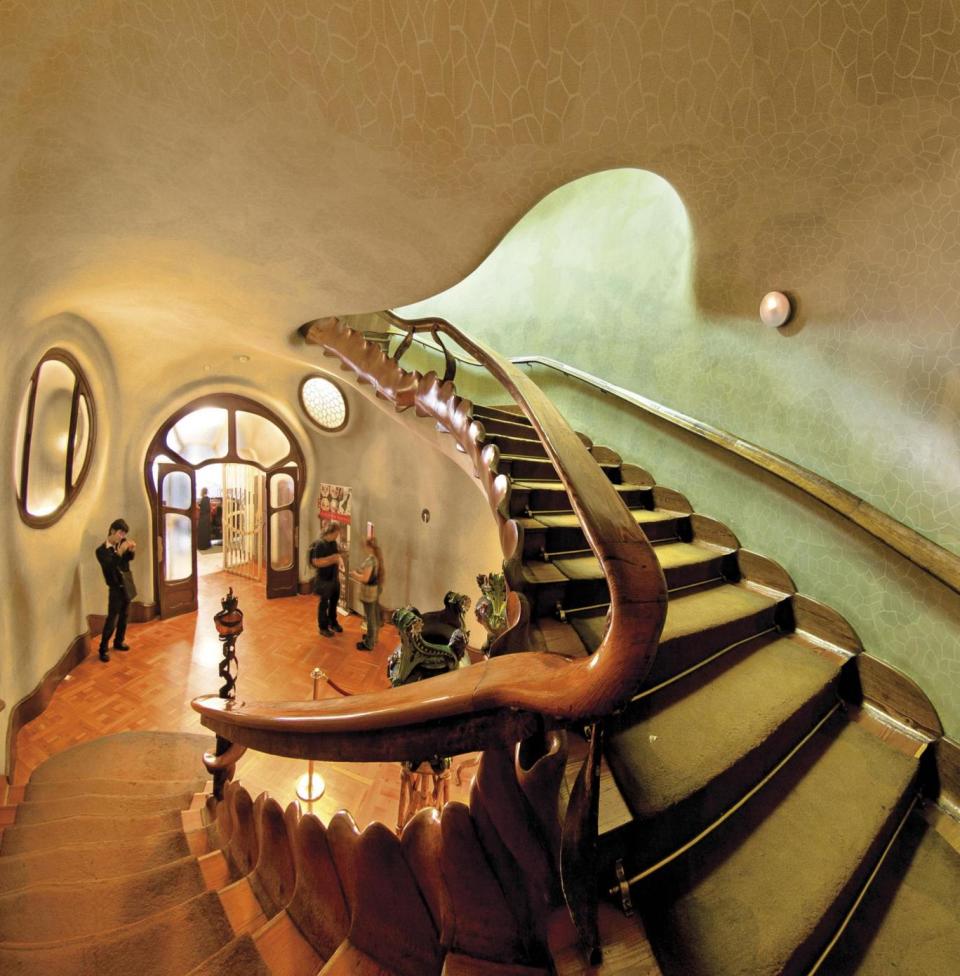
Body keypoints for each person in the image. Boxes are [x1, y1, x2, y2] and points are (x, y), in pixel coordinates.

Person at [94, 518, 136, 662]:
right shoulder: (101, 551)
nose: (122, 536)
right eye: (120, 533)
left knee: (124, 616)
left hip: (126, 586)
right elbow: (110, 566)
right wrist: (119, 553)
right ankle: (103, 648)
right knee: (112, 619)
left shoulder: (121, 544)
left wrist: (130, 550)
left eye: (124, 534)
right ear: (112, 530)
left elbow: (128, 560)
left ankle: (119, 641)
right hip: (115, 588)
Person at [309, 521, 343, 638]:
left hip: (334, 578)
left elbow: (337, 556)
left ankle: (332, 622)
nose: (337, 536)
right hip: (324, 579)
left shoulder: (333, 543)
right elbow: (316, 562)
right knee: (324, 604)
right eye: (336, 534)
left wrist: (339, 562)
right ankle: (323, 627)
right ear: (331, 532)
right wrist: (332, 559)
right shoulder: (319, 544)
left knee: (334, 602)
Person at [350, 536, 383, 651]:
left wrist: (355, 575)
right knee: (374, 616)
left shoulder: (370, 561)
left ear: (369, 547)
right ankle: (374, 637)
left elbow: (365, 579)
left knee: (370, 618)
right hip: (374, 590)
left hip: (368, 592)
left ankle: (369, 643)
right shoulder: (376, 558)